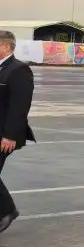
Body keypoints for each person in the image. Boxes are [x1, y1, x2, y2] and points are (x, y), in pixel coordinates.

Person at [0, 31, 35, 234]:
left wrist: (10, 135)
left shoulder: (19, 70)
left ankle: (8, 211)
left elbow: (20, 106)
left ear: (6, 46)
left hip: (5, 135)